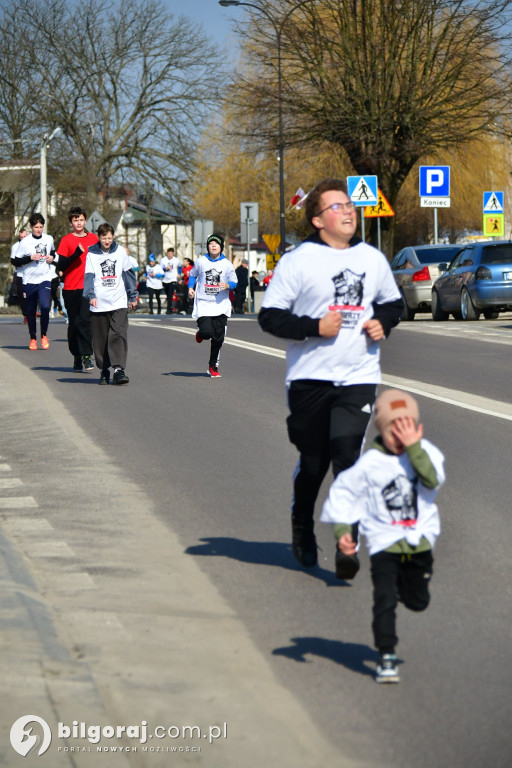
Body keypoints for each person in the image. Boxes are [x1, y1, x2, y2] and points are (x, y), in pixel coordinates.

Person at [258, 178, 403, 569]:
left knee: (347, 456)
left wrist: (382, 322)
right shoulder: (298, 260)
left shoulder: (372, 258)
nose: (348, 211)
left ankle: (346, 544)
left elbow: (393, 304)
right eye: (337, 206)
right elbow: (270, 317)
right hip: (309, 378)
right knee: (313, 462)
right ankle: (301, 523)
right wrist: (314, 327)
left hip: (358, 376)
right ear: (318, 220)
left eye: (349, 205)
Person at [320, 389, 445, 683]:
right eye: (393, 430)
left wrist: (414, 449)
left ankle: (407, 587)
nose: (401, 437)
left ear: (417, 428)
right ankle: (386, 654)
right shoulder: (370, 463)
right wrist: (343, 534)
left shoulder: (424, 453)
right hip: (384, 544)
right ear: (380, 430)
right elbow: (344, 495)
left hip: (418, 543)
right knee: (384, 600)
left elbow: (432, 479)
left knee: (418, 602)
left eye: (407, 428)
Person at [83, 222, 138, 385]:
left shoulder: (120, 252)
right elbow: (89, 277)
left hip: (118, 300)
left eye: (109, 238)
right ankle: (104, 370)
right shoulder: (92, 253)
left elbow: (128, 274)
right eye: (103, 238)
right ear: (99, 237)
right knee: (100, 339)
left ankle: (119, 370)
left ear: (113, 236)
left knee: (118, 334)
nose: (107, 241)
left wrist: (132, 296)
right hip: (99, 302)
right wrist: (91, 295)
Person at [188, 234, 237, 378]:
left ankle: (213, 366)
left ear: (221, 247)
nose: (213, 246)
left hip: (221, 304)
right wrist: (190, 288)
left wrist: (228, 285)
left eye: (216, 244)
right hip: (204, 303)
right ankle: (200, 333)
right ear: (208, 247)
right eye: (211, 244)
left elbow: (234, 282)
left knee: (218, 338)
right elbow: (192, 275)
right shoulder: (201, 262)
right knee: (206, 333)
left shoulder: (227, 264)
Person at [56, 206, 98, 372]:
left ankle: (87, 356)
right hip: (70, 288)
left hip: (88, 288)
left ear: (85, 221)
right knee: (74, 323)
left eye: (81, 220)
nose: (79, 223)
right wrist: (75, 254)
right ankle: (76, 355)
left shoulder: (94, 239)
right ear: (70, 223)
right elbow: (60, 266)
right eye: (75, 220)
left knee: (85, 321)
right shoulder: (66, 240)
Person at [11, 213, 56, 350]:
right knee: (30, 311)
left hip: (44, 279)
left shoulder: (49, 239)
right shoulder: (25, 242)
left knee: (45, 307)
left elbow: (53, 252)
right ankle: (33, 338)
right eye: (36, 227)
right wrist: (30, 258)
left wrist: (51, 257)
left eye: (41, 227)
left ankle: (43, 335)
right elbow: (15, 261)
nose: (39, 230)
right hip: (29, 281)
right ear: (31, 227)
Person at [10, 228, 29, 323]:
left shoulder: (32, 244)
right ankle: (26, 315)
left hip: (32, 274)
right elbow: (13, 261)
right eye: (21, 237)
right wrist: (24, 261)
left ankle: (32, 312)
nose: (23, 239)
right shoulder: (15, 246)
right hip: (20, 274)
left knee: (32, 294)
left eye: (25, 237)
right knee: (21, 296)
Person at [161, 247, 180, 314]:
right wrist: (165, 268)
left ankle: (169, 309)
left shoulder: (176, 260)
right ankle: (169, 307)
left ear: (173, 253)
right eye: (168, 254)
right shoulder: (163, 260)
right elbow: (160, 269)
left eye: (171, 254)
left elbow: (180, 266)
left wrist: (179, 273)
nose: (169, 255)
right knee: (167, 294)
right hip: (165, 279)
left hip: (173, 279)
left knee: (170, 294)